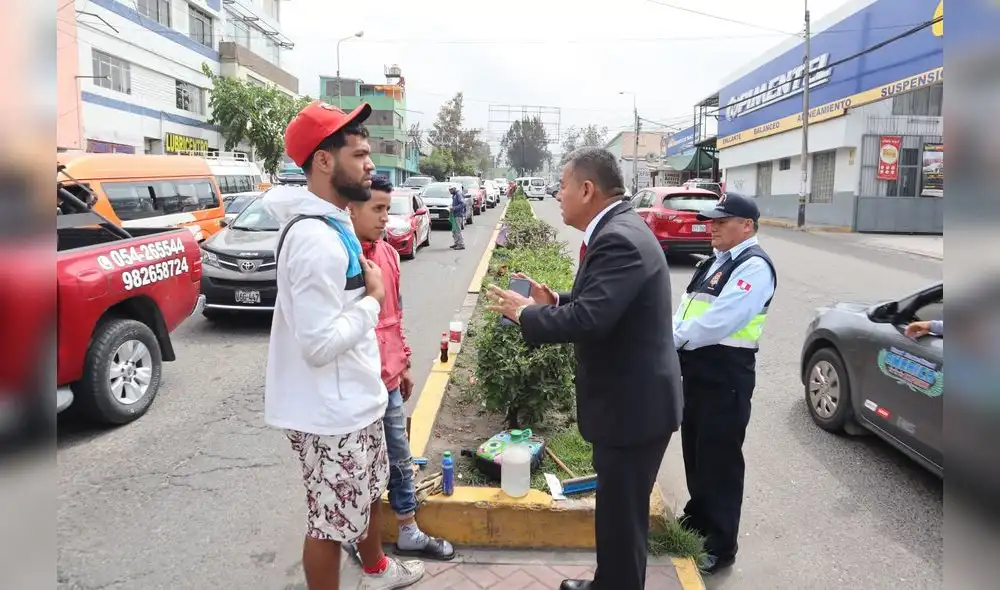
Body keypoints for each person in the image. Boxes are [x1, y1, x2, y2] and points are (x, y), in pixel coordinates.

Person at [484, 147, 683, 590]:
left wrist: (524, 315)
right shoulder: (619, 228)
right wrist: (554, 302)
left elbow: (592, 321)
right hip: (629, 407)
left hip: (633, 411)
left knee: (624, 522)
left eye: (562, 185)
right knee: (615, 515)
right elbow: (603, 305)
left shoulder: (618, 238)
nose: (557, 194)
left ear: (587, 189)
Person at [263, 100, 424, 590]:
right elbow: (317, 344)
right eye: (358, 154)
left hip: (356, 401)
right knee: (329, 526)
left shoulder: (335, 225)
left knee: (369, 493)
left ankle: (376, 570)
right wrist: (373, 302)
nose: (370, 164)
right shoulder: (317, 240)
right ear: (324, 161)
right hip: (330, 415)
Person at [345, 177, 456, 562]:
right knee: (360, 466)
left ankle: (407, 528)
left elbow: (394, 316)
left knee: (399, 456)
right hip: (356, 387)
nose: (384, 218)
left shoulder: (388, 254)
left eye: (386, 209)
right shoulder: (344, 262)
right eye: (376, 209)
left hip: (389, 378)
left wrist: (404, 363)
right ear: (351, 210)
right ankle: (359, 536)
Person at [672, 192, 777, 575]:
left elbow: (721, 320)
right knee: (696, 451)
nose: (711, 226)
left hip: (726, 375)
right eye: (711, 220)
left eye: (720, 221)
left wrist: (671, 341)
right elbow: (684, 312)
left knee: (720, 461)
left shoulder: (753, 266)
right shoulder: (715, 263)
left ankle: (720, 544)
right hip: (697, 371)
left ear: (746, 226)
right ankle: (697, 518)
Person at [449, 184, 466, 250]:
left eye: (451, 190)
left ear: (454, 188)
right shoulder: (454, 195)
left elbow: (463, 204)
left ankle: (461, 244)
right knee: (454, 230)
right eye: (449, 190)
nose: (450, 191)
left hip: (458, 215)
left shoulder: (458, 194)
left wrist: (454, 208)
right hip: (454, 215)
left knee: (458, 230)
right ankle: (456, 243)